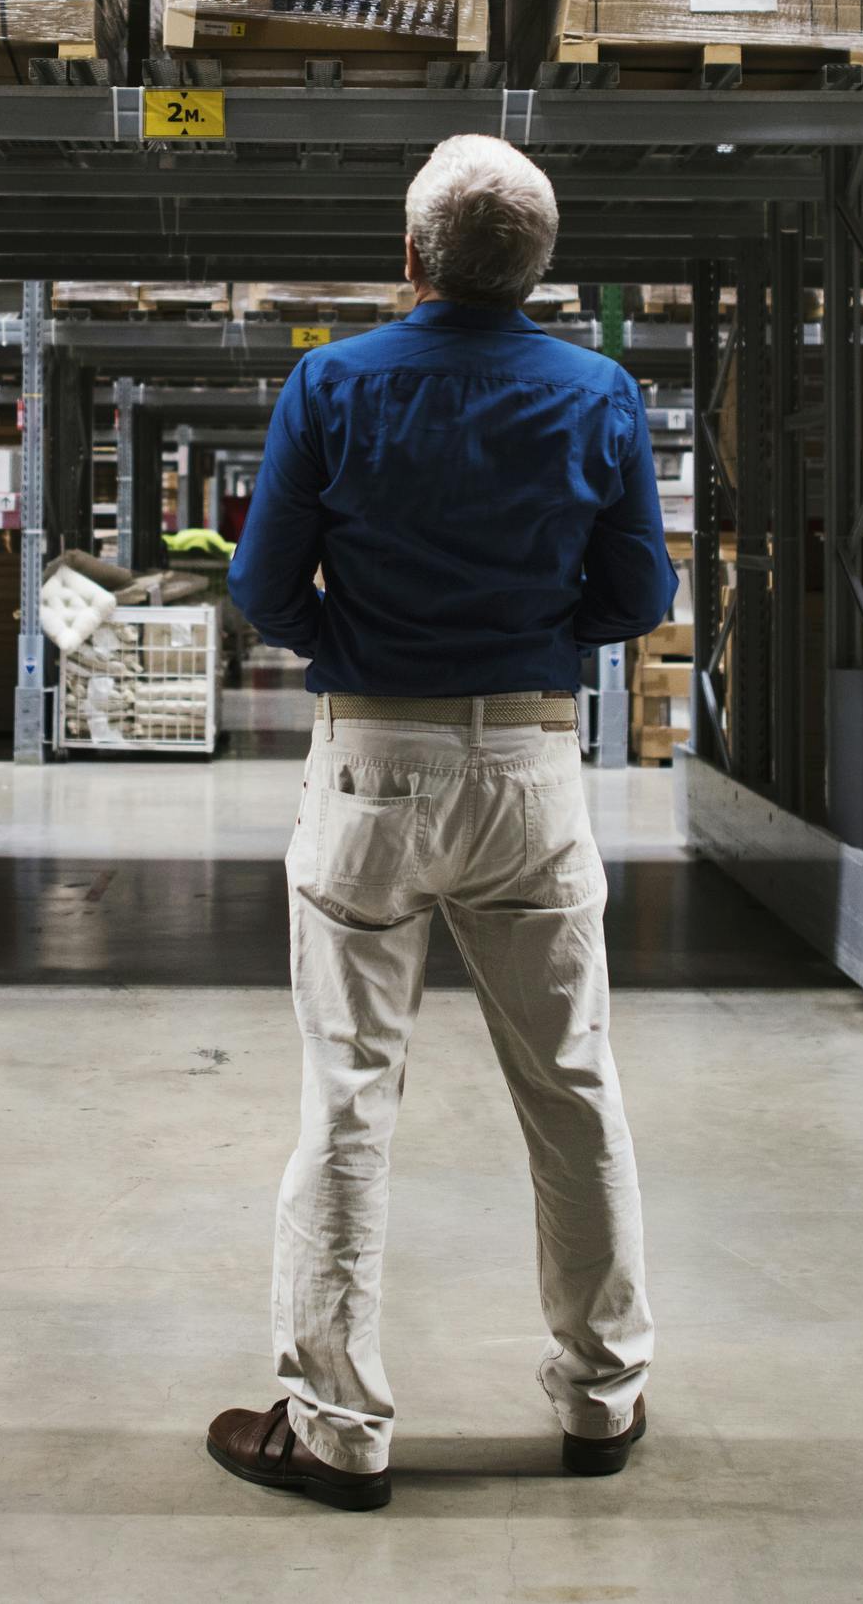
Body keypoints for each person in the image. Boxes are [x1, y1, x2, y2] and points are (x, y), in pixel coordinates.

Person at [207, 134, 675, 1512]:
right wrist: (531, 635)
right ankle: (602, 1395)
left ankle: (336, 1425)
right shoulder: (598, 393)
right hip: (529, 760)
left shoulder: (331, 383)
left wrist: (356, 637)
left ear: (407, 258)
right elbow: (637, 595)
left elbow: (262, 586)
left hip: (369, 763)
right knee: (572, 1084)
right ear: (539, 270)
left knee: (348, 1092)